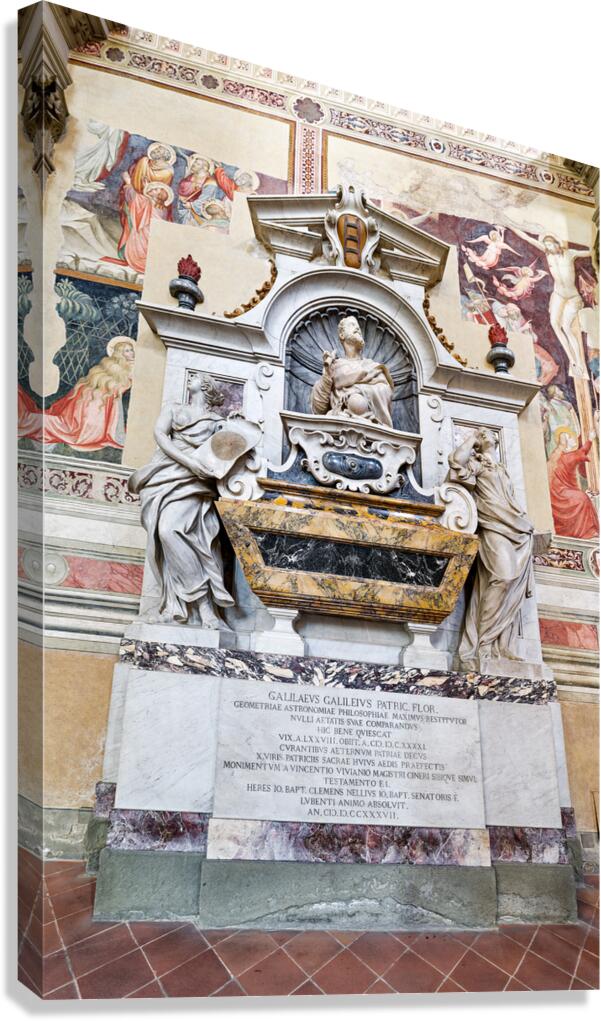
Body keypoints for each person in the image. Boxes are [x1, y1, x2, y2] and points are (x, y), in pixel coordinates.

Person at [127, 375, 236, 627]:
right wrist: (189, 462)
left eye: (198, 378)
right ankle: (177, 605)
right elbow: (160, 436)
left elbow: (227, 452)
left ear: (206, 386)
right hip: (167, 476)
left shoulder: (217, 422)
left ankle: (205, 608)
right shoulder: (174, 409)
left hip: (195, 485)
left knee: (171, 531)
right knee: (165, 534)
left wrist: (235, 430)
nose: (193, 378)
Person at [449, 428, 534, 668]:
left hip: (516, 529)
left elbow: (510, 500)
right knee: (502, 577)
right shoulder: (477, 463)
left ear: (496, 440)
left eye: (487, 433)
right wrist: (472, 439)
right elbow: (456, 462)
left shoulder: (502, 469)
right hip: (493, 526)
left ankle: (500, 644)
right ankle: (482, 643)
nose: (485, 434)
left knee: (509, 585)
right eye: (481, 434)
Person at [18, 337, 136, 451]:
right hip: (92, 403)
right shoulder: (111, 365)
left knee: (68, 426)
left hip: (97, 402)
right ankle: (31, 421)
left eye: (131, 350)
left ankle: (32, 421)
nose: (131, 353)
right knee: (70, 428)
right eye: (127, 350)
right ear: (119, 353)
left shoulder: (130, 367)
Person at [510, 229, 594, 378]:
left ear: (557, 244)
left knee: (567, 328)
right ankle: (572, 360)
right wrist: (511, 225)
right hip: (558, 294)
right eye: (546, 245)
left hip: (573, 296)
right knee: (555, 324)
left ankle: (578, 362)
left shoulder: (569, 254)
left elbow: (590, 252)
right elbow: (528, 238)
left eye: (550, 244)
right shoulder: (548, 254)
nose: (548, 247)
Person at [311, 315, 394, 427]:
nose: (357, 328)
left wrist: (357, 391)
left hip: (371, 425)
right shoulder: (334, 367)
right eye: (352, 325)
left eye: (358, 326)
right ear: (342, 335)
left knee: (356, 400)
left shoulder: (372, 367)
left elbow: (385, 392)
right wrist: (327, 375)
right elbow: (319, 410)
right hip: (338, 423)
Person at [548, 428, 598, 539]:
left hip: (559, 492)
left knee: (582, 497)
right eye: (569, 437)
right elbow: (583, 451)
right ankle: (587, 532)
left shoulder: (559, 455)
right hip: (561, 493)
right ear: (565, 444)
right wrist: (590, 439)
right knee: (582, 499)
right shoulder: (568, 456)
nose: (572, 438)